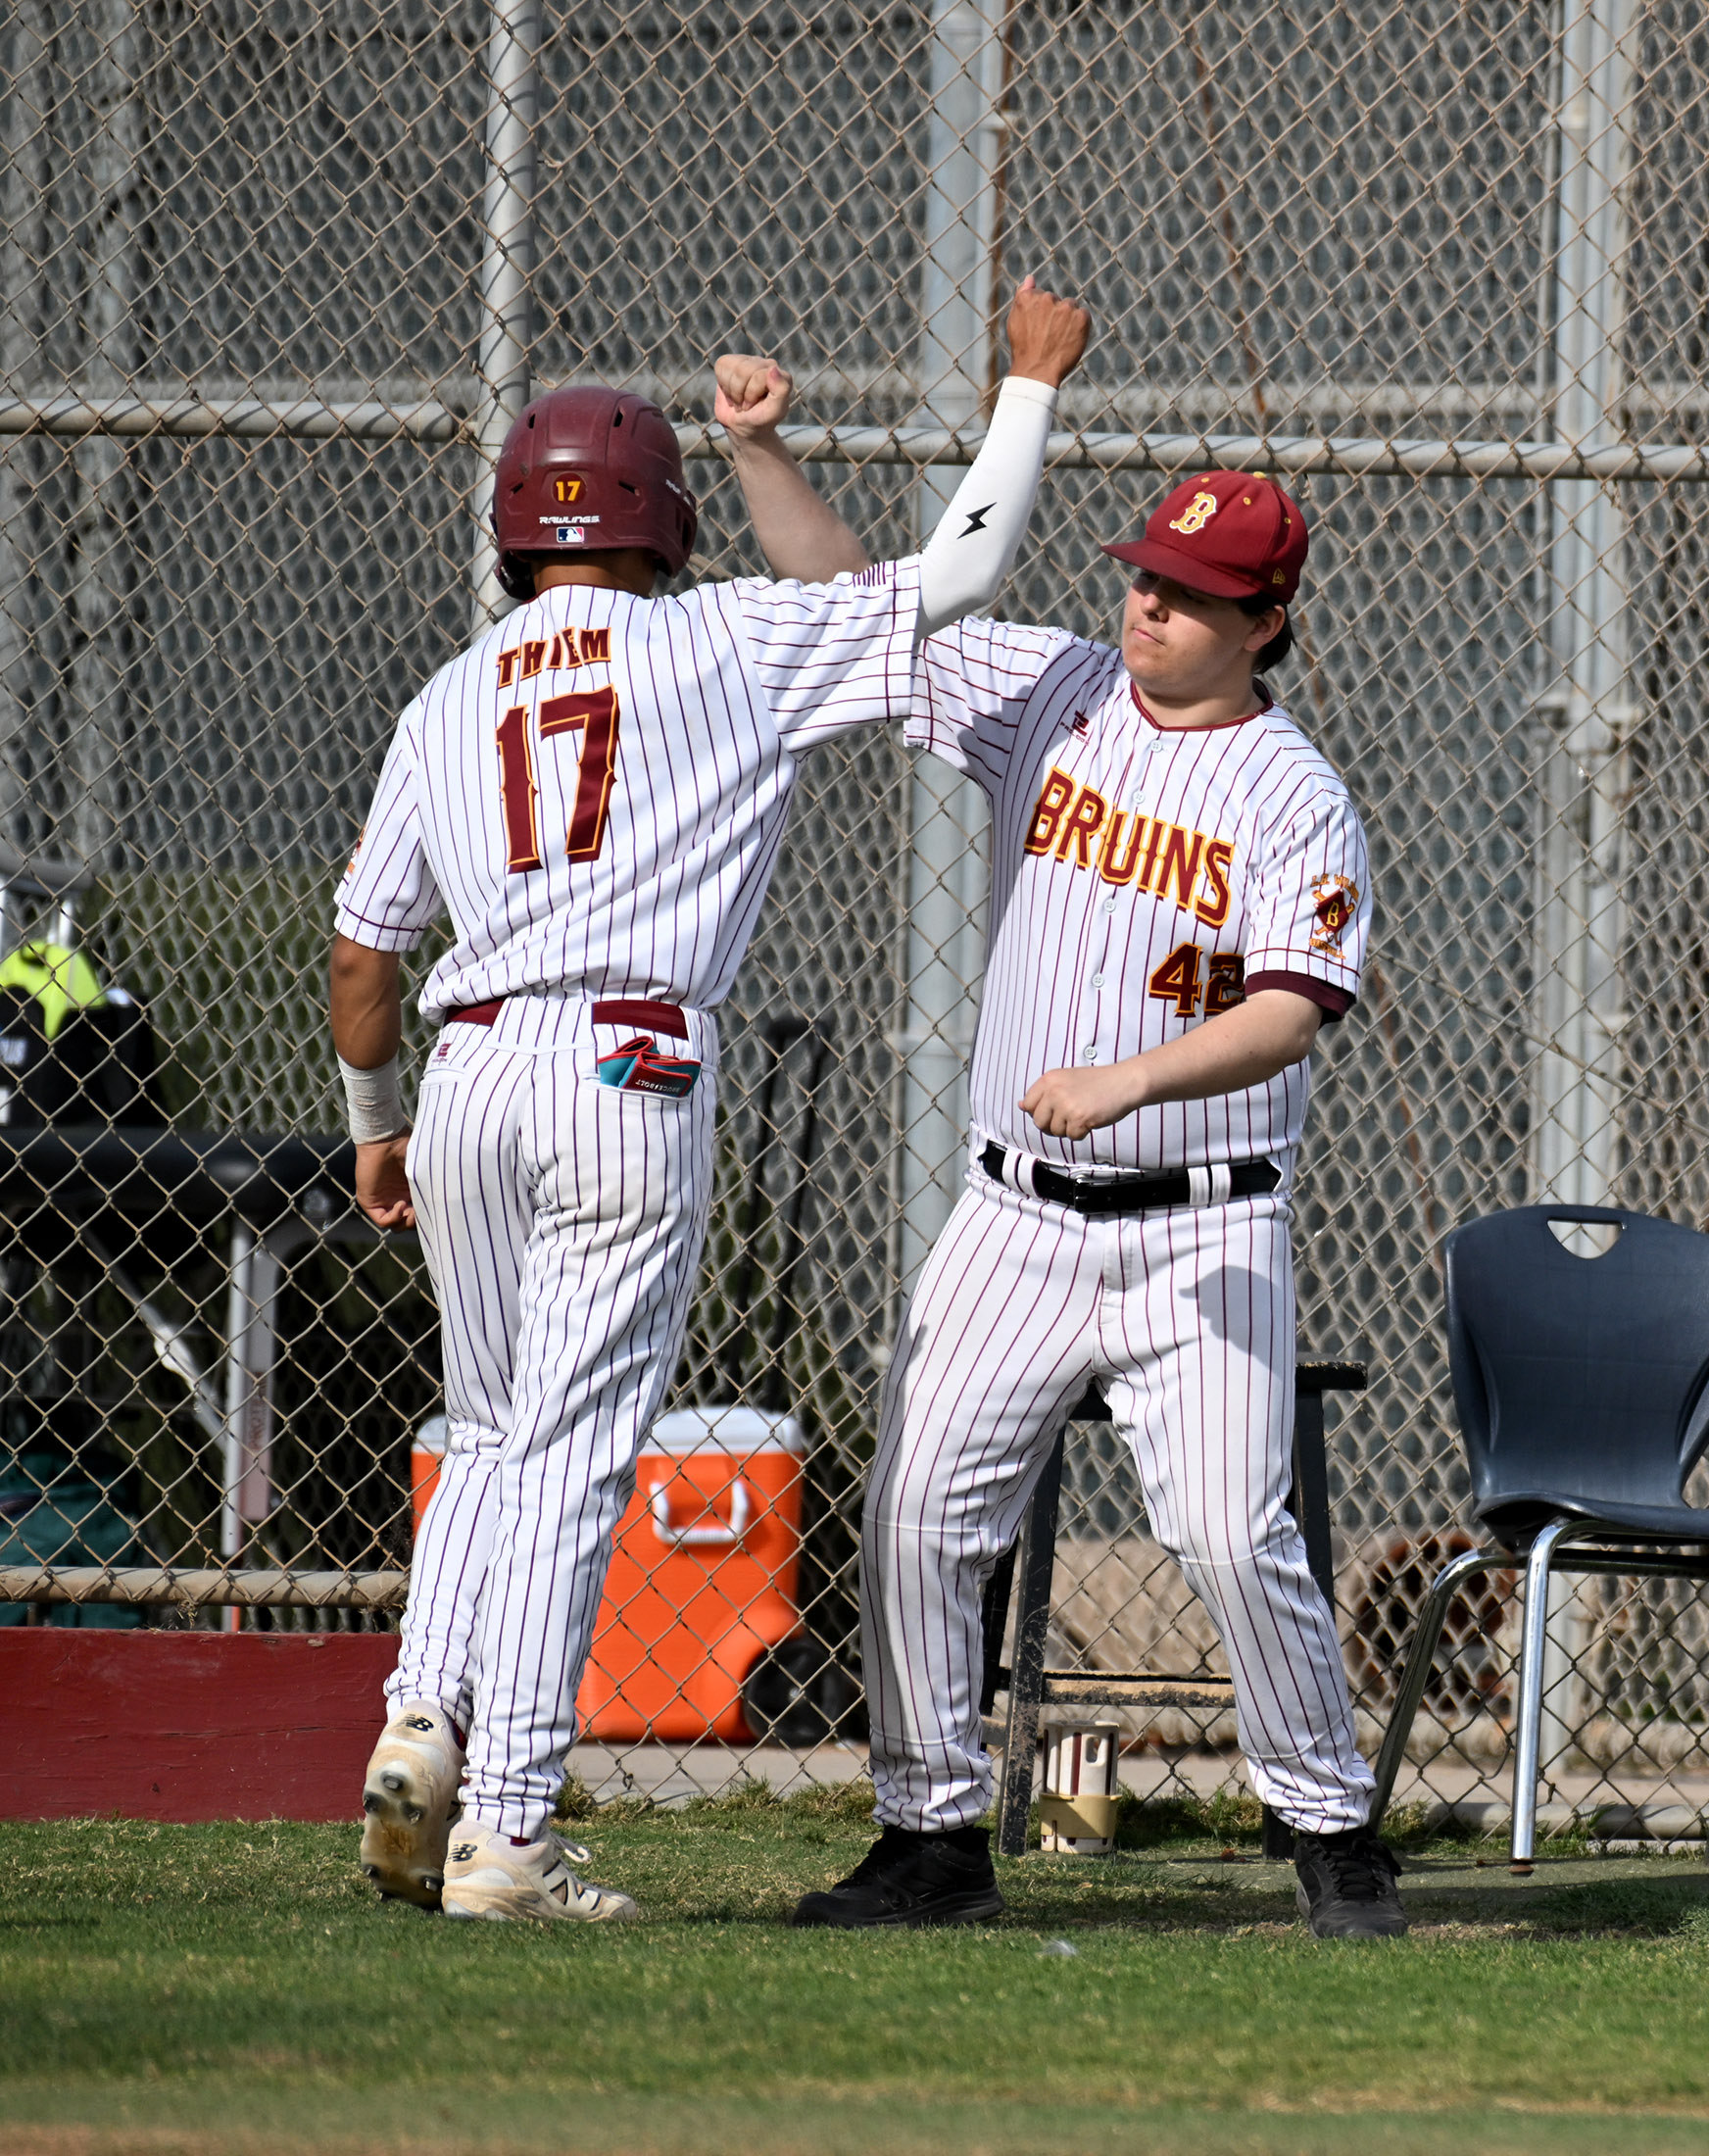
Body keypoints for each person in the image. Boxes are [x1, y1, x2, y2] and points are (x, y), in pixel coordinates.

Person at [334, 281, 1092, 1921]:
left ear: (514, 540)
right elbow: (953, 574)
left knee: (489, 1431)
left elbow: (363, 949)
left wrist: (370, 1121)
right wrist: (1027, 389)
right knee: (572, 1454)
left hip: (463, 1075)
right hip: (626, 1064)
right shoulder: (725, 635)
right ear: (661, 521)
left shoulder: (445, 696)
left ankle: (417, 1729)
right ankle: (510, 1832)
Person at [713, 367, 1406, 1936]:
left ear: (1266, 622)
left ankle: (1330, 1832)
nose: (1153, 607)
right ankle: (933, 1836)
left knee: (1236, 1534)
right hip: (1014, 1219)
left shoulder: (1295, 795)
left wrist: (1132, 1082)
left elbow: (1298, 1007)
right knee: (913, 1515)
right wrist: (761, 453)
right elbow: (861, 607)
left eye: (1193, 593)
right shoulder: (1055, 688)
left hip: (1205, 1231)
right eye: (1148, 576)